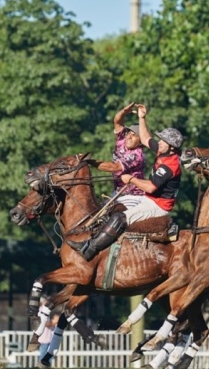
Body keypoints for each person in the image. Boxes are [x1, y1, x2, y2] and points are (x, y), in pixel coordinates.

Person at [67, 104, 183, 261]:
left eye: (163, 141)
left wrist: (131, 179)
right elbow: (146, 138)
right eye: (161, 140)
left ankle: (90, 249)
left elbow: (150, 186)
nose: (159, 142)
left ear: (172, 148)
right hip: (148, 199)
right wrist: (142, 117)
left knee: (119, 218)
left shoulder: (170, 165)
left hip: (158, 206)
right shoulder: (164, 151)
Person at [87, 102, 146, 207]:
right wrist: (124, 111)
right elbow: (117, 122)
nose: (129, 137)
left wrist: (89, 161)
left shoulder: (137, 155)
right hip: (118, 193)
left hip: (133, 196)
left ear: (141, 141)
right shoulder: (122, 140)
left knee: (116, 221)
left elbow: (115, 167)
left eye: (134, 135)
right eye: (129, 133)